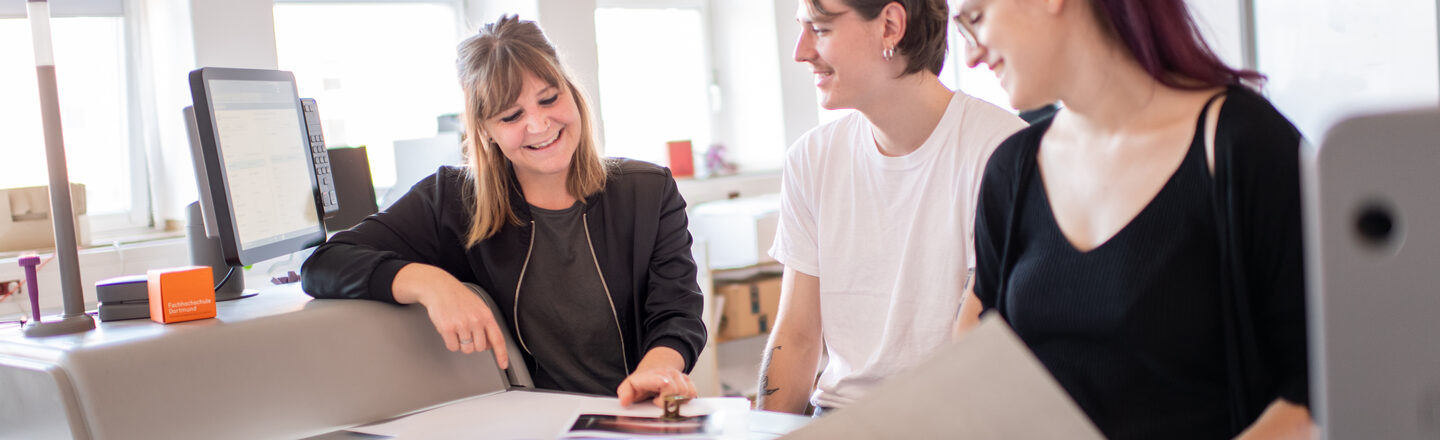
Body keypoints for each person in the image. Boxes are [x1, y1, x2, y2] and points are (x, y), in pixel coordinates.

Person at [300, 15, 705, 408]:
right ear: (485, 130)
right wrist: (431, 283)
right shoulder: (452, 201)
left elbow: (677, 314)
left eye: (549, 98)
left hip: (632, 413)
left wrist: (656, 371)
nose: (540, 124)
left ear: (572, 92)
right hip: (527, 421)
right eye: (512, 116)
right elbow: (324, 263)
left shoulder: (647, 191)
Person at [953, 0, 1312, 438]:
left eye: (976, 18)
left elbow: (1315, 386)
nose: (970, 56)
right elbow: (981, 347)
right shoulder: (1012, 171)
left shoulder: (1245, 145)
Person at [757, 0, 1027, 415]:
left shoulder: (1001, 150)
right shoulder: (811, 159)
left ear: (890, 26)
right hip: (838, 418)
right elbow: (796, 337)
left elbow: (973, 350)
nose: (801, 51)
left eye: (821, 29)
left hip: (945, 421)